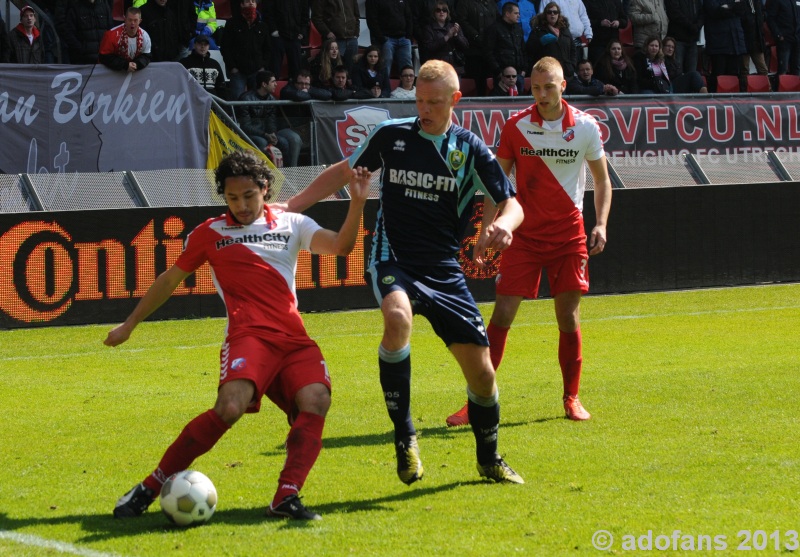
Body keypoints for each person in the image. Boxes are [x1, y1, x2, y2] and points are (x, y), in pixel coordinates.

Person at [286, 59, 526, 486]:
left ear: (455, 100)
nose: (424, 109)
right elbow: (345, 170)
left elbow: (512, 202)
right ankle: (405, 438)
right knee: (397, 319)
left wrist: (503, 226)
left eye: (434, 102)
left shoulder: (469, 148)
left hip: (443, 268)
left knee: (483, 374)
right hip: (392, 256)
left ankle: (489, 458)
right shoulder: (392, 135)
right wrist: (291, 207)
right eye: (419, 100)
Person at [107, 150, 372, 522]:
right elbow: (169, 280)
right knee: (230, 407)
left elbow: (341, 247)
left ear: (265, 188)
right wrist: (130, 323)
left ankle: (286, 495)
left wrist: (357, 202)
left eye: (249, 195)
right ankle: (150, 486)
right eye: (233, 198)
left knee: (317, 399)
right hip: (249, 336)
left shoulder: (292, 222)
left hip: (294, 339)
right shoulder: (210, 233)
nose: (242, 205)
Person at [446, 56, 611, 427]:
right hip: (523, 237)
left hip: (569, 237)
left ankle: (572, 397)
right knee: (501, 315)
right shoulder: (516, 126)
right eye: (535, 87)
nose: (541, 94)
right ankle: (476, 402)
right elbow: (495, 185)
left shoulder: (585, 128)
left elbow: (602, 180)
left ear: (563, 85)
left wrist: (600, 223)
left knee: (568, 318)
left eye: (548, 86)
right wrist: (488, 229)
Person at [238, 70, 304, 167]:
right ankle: (261, 172)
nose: (276, 84)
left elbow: (271, 120)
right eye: (273, 82)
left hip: (265, 133)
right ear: (264, 84)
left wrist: (272, 133)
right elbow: (245, 126)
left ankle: (284, 174)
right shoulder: (246, 98)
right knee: (262, 142)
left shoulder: (271, 99)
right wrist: (265, 134)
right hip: (250, 134)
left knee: (283, 142)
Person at [222, 0, 272, 102]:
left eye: (253, 1)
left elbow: (268, 49)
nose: (251, 3)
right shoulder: (232, 23)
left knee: (257, 102)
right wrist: (232, 67)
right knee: (237, 100)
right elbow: (225, 47)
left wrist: (263, 66)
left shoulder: (263, 26)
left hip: (257, 71)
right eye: (247, 1)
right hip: (238, 71)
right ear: (241, 4)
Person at [454, 0, 497, 95]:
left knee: (491, 79)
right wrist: (476, 36)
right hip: (472, 50)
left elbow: (496, 21)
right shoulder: (464, 3)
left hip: (490, 50)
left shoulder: (491, 3)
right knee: (476, 81)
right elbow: (461, 21)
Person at [486, 2, 529, 92]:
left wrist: (524, 71)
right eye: (516, 13)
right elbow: (488, 52)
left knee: (519, 104)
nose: (519, 16)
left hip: (518, 75)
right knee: (502, 104)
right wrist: (499, 72)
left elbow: (524, 50)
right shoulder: (494, 29)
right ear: (507, 14)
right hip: (502, 76)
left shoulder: (518, 28)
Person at [704, 0, 747, 89]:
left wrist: (727, 7)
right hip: (718, 45)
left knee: (734, 78)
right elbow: (715, 12)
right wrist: (733, 7)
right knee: (718, 77)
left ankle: (733, 101)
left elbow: (742, 8)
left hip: (736, 45)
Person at [419, 1, 469, 75]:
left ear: (447, 13)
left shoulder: (454, 26)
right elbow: (428, 47)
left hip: (455, 67)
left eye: (444, 10)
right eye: (438, 10)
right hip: (438, 67)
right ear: (434, 13)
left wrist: (455, 35)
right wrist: (447, 37)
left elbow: (465, 46)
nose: (441, 12)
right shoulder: (429, 29)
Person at [527, 2, 576, 78]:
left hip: (566, 72)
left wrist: (572, 65)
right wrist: (540, 43)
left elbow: (573, 50)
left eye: (555, 12)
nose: (552, 14)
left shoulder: (565, 30)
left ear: (558, 14)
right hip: (548, 72)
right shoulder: (538, 31)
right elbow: (529, 50)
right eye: (549, 12)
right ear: (545, 15)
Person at [366, 0, 414, 77]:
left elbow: (409, 16)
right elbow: (372, 20)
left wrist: (408, 35)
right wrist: (382, 38)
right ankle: (385, 87)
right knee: (385, 65)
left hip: (404, 38)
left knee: (407, 65)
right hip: (386, 39)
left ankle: (407, 88)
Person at [263, 0, 308, 80]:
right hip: (278, 36)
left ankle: (296, 91)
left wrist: (302, 32)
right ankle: (272, 91)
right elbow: (267, 13)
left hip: (295, 36)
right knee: (274, 70)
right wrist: (274, 30)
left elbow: (305, 15)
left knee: (296, 71)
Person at [311, 0, 361, 69]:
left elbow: (356, 16)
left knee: (352, 69)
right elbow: (316, 17)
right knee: (334, 69)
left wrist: (356, 32)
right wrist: (327, 32)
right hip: (334, 40)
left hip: (352, 39)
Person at [99, 6, 152, 72]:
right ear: (125, 19)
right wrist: (125, 65)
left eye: (135, 20)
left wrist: (137, 64)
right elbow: (104, 57)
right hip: (114, 73)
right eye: (130, 20)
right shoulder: (112, 34)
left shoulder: (145, 36)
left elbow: (146, 56)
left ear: (140, 21)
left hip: (135, 74)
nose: (132, 23)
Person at [63, 0, 114, 65]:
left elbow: (111, 31)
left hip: (103, 59)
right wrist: (81, 50)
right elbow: (69, 34)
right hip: (84, 62)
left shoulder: (104, 5)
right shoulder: (75, 7)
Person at [664, 0, 702, 75]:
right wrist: (691, 26)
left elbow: (702, 12)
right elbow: (674, 13)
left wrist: (698, 25)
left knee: (692, 73)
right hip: (677, 39)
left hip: (693, 40)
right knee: (676, 71)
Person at [584, 0, 627, 64]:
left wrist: (618, 22)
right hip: (597, 43)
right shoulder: (589, 2)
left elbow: (625, 20)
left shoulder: (616, 1)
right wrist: (600, 23)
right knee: (599, 67)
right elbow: (585, 21)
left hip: (613, 41)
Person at [553, 0, 593, 67]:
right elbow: (543, 15)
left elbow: (583, 16)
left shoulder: (578, 1)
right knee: (563, 67)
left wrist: (588, 32)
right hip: (560, 41)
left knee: (577, 66)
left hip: (577, 41)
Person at [765, 0, 800, 76]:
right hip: (784, 40)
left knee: (797, 68)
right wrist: (778, 35)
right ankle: (781, 87)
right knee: (783, 68)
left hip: (797, 39)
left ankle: (796, 87)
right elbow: (770, 18)